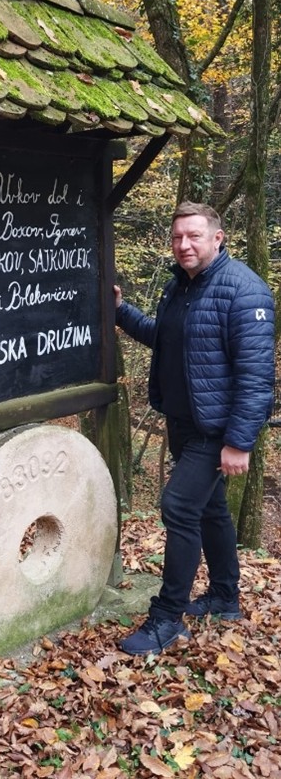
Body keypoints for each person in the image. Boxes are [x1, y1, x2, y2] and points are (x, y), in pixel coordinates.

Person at [114, 201, 275, 656]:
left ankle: (167, 618)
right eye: (178, 237)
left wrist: (239, 442)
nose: (184, 244)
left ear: (217, 238)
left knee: (179, 507)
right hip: (183, 422)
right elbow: (164, 338)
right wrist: (122, 312)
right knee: (210, 510)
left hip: (216, 429)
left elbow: (257, 376)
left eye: (194, 236)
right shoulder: (179, 287)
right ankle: (225, 596)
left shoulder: (245, 291)